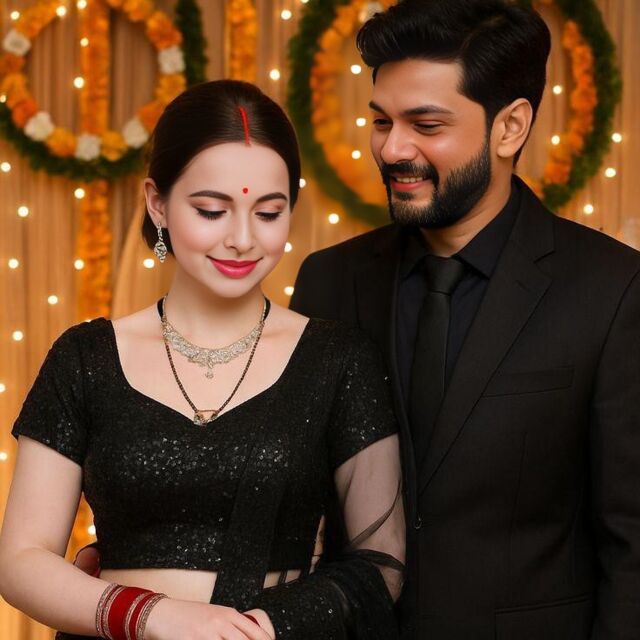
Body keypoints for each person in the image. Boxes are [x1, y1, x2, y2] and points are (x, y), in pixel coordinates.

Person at [0, 80, 405, 640]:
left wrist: (258, 628)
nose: (242, 239)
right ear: (157, 203)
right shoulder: (85, 359)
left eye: (269, 213)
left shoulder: (338, 359)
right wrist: (155, 616)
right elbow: (22, 560)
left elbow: (381, 565)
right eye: (212, 210)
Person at [290, 1, 640, 638]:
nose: (392, 148)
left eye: (426, 124)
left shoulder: (612, 289)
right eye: (381, 121)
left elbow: (633, 544)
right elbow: (292, 500)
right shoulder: (328, 281)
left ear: (510, 128)